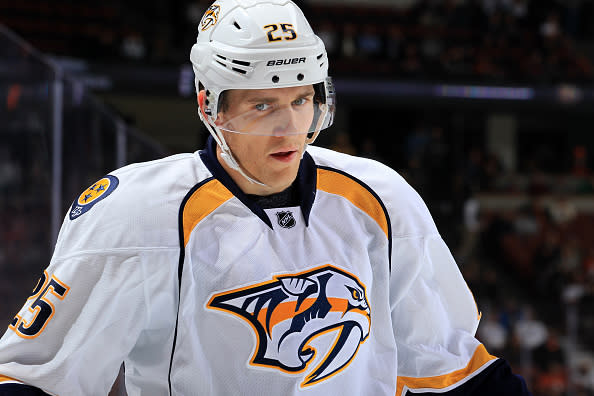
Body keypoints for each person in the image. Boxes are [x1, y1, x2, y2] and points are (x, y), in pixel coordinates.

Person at [0, 1, 532, 395]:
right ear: (210, 106)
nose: (290, 130)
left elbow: (449, 368)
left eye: (302, 100)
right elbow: (36, 377)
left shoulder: (380, 198)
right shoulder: (136, 216)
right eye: (262, 106)